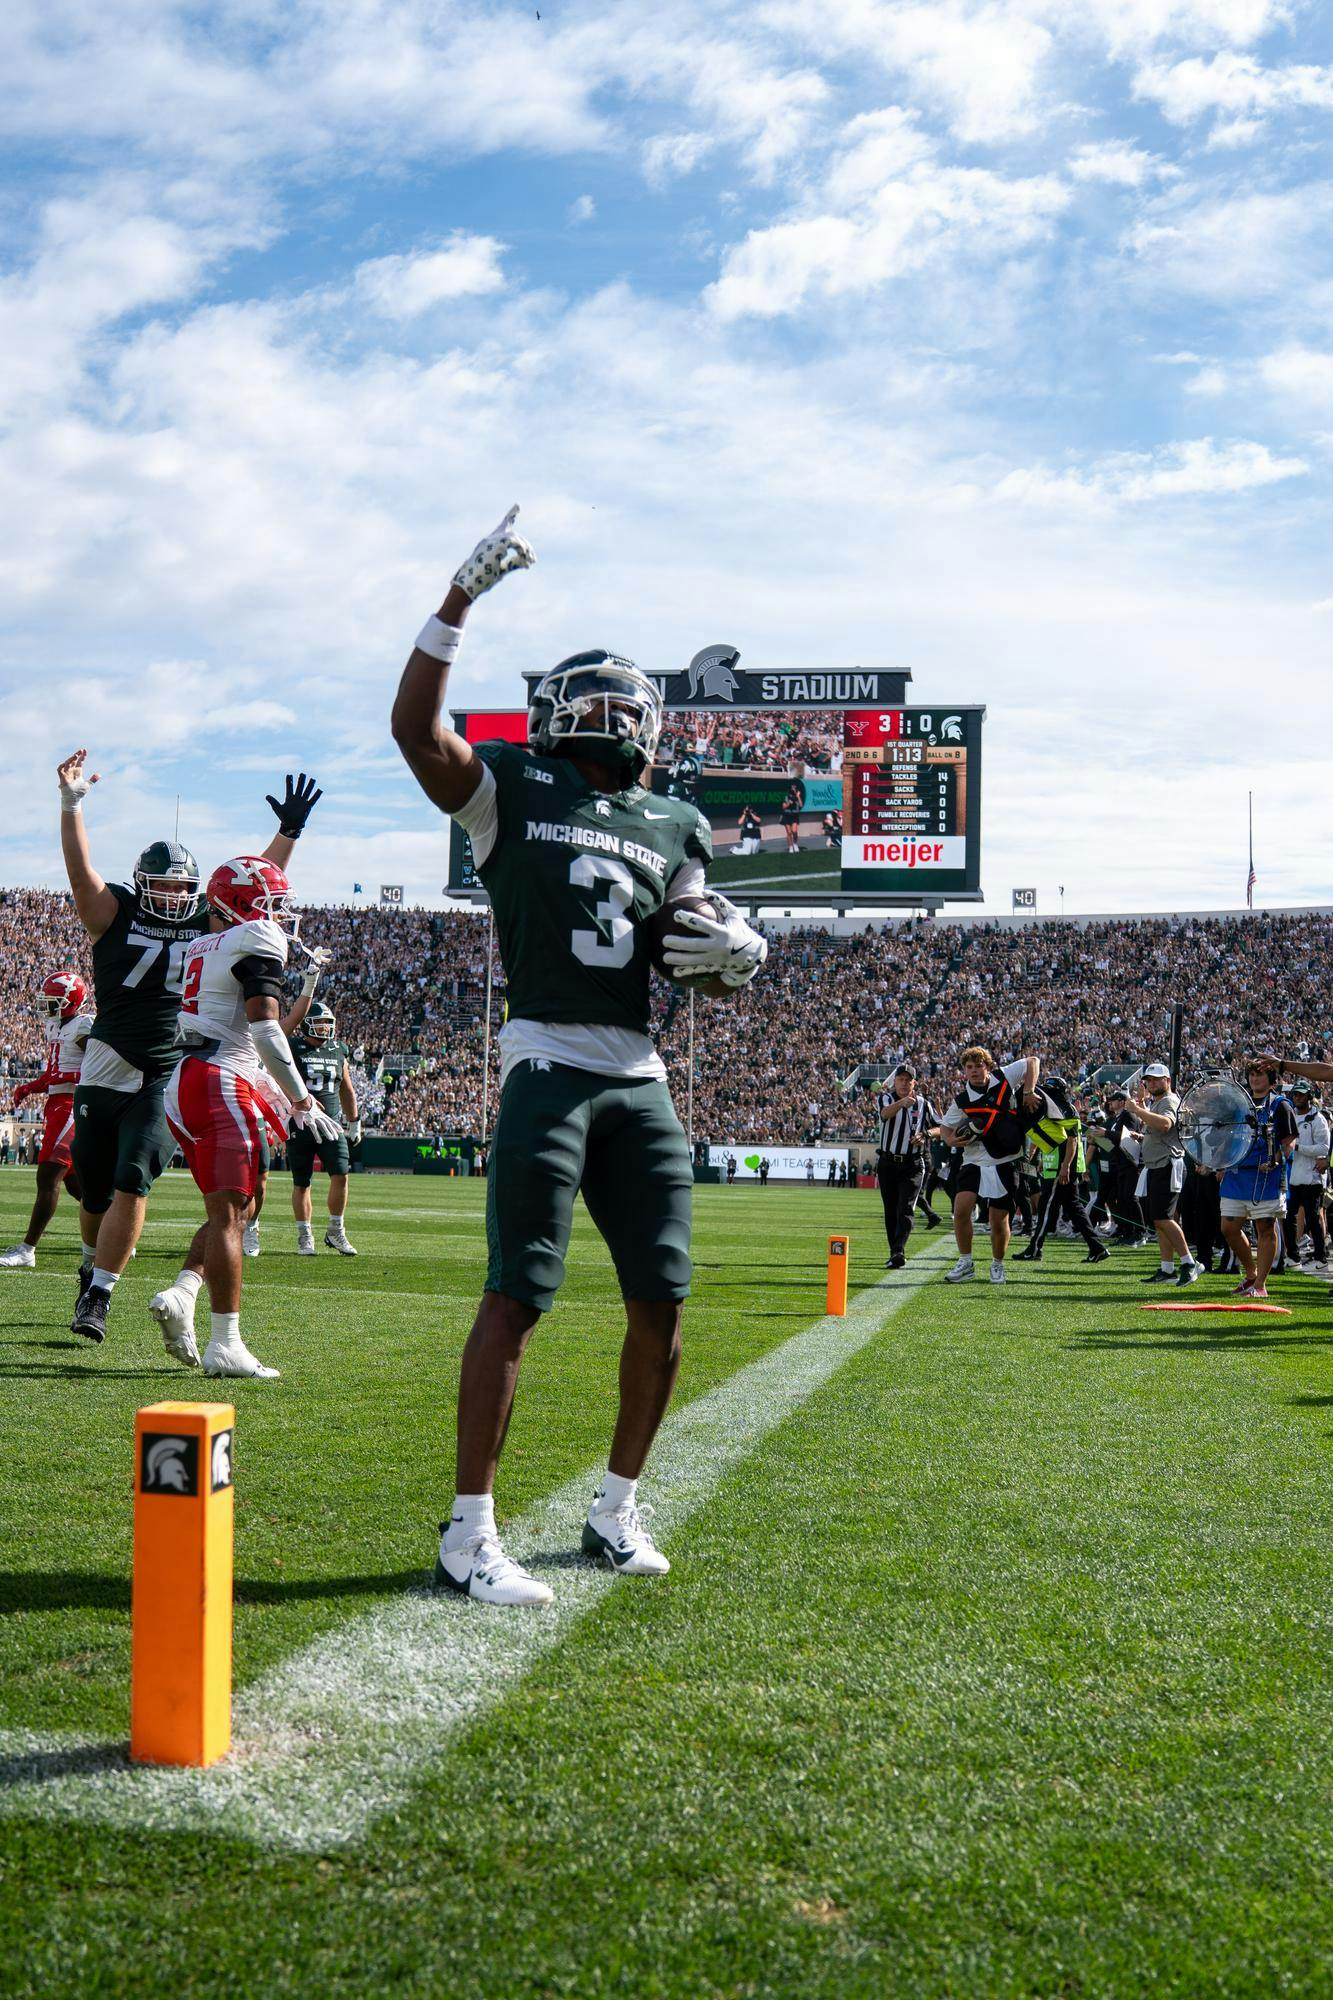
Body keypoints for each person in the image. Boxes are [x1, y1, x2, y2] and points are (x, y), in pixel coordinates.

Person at [391, 506, 767, 1606]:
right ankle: (470, 1529)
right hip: (548, 1061)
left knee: (665, 1299)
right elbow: (418, 732)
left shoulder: (675, 822)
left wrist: (735, 946)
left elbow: (691, 938)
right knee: (520, 1292)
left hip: (639, 1076)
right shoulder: (513, 786)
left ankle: (615, 1507)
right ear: (558, 712)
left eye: (626, 701)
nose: (610, 713)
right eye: (591, 696)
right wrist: (456, 598)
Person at [55, 755, 321, 1345]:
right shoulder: (115, 912)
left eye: (184, 886)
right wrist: (72, 804)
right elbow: (81, 875)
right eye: (166, 885)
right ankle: (89, 1264)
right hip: (108, 1062)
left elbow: (251, 890)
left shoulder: (210, 921)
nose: (177, 895)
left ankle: (99, 1293)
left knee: (132, 1181)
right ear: (144, 882)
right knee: (93, 1189)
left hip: (168, 1066)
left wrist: (289, 834)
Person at [150, 857, 344, 1377]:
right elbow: (264, 1029)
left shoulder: (204, 943)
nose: (279, 914)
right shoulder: (255, 935)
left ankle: (184, 1291)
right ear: (243, 904)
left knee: (248, 1200)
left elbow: (236, 1026)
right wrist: (300, 1097)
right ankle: (225, 1343)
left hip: (192, 1076)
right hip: (218, 1079)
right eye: (272, 902)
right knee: (232, 1214)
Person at [0, 975, 93, 1269]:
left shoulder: (83, 1026)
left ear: (71, 1002)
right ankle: (114, 1232)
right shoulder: (55, 1025)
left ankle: (28, 1249)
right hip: (55, 1103)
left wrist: (64, 1077)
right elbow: (54, 1072)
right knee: (75, 1184)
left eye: (53, 1003)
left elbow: (101, 1065)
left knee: (47, 1176)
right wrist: (29, 1087)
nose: (48, 1008)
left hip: (72, 1104)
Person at [938, 1045, 1041, 1284]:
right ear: (964, 1071)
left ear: (988, 1066)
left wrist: (1028, 1091)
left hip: (1005, 1161)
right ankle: (966, 1262)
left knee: (999, 1219)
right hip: (973, 1160)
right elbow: (945, 1127)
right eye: (969, 1067)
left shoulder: (1003, 1077)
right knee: (961, 1210)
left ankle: (997, 1265)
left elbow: (1032, 1060)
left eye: (979, 1065)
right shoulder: (962, 1099)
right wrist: (951, 1139)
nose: (974, 1071)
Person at [1215, 1057, 1297, 1299]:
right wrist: (1221, 1163)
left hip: (1266, 1177)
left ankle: (1260, 1284)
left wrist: (1276, 1160)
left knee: (1265, 1227)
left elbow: (1289, 1142)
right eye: (1251, 1074)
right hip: (1237, 1173)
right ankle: (1250, 1273)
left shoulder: (1281, 1105)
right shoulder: (1239, 1104)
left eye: (1260, 1074)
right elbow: (1229, 1137)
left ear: (1271, 1079)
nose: (1255, 1079)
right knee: (1228, 1227)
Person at [286, 1000, 361, 1256]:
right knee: (302, 1182)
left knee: (341, 1174)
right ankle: (305, 1235)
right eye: (319, 1023)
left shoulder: (339, 1049)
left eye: (328, 1024)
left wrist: (354, 1120)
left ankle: (335, 1231)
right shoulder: (293, 1046)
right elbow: (279, 1076)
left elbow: (346, 1088)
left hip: (331, 1124)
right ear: (307, 1024)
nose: (325, 1029)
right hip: (300, 1121)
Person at [1014, 1077, 1110, 1265]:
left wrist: (1065, 1166)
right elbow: (1049, 1135)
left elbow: (1072, 1139)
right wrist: (1039, 1157)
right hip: (1056, 1165)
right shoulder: (1053, 1107)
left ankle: (1034, 1248)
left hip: (1062, 1167)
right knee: (1074, 1209)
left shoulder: (1065, 1108)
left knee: (1046, 1207)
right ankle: (1097, 1248)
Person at [1120, 1062, 1201, 1285]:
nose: (1152, 1083)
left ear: (1168, 1081)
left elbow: (1166, 1124)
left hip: (1167, 1165)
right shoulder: (1158, 1101)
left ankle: (1189, 1263)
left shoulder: (1169, 1101)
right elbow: (1160, 1132)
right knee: (1160, 1220)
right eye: (1149, 1080)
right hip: (1158, 1165)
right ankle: (1167, 1269)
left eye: (1157, 1079)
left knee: (1164, 1218)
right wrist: (1142, 1137)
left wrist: (1138, 1111)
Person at [874, 1064, 939, 1269]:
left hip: (912, 1163)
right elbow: (884, 1114)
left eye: (907, 1080)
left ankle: (899, 1251)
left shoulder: (923, 1104)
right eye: (900, 1079)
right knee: (890, 1209)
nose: (903, 1083)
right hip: (887, 1163)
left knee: (905, 1207)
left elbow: (941, 1126)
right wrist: (902, 1103)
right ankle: (894, 1251)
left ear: (914, 1083)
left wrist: (926, 1134)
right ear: (895, 1082)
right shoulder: (886, 1098)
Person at [1283, 1081, 1329, 1271]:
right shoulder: (1290, 1116)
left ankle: (1321, 1257)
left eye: (1301, 1095)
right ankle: (1293, 1257)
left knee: (1312, 1219)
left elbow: (1323, 1148)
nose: (1298, 1098)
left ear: (1309, 1096)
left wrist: (1299, 1147)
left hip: (1311, 1177)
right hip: (1293, 1176)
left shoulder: (1318, 1119)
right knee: (1289, 1218)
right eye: (1295, 1095)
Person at [780, 781, 803, 854]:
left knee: (794, 831)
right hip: (787, 816)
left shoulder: (797, 797)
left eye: (795, 788)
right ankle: (790, 846)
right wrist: (788, 803)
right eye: (793, 788)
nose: (794, 789)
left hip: (794, 816)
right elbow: (783, 807)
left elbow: (801, 805)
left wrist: (798, 796)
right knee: (789, 832)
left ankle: (795, 844)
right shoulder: (786, 797)